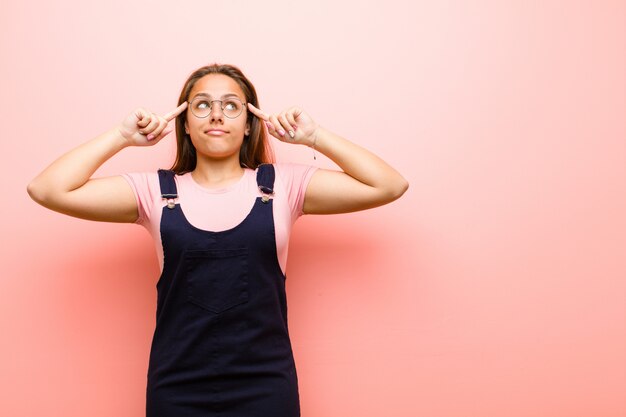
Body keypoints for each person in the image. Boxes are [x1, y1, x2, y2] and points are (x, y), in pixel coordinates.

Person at [27, 63, 408, 417]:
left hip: (265, 385)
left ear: (248, 123)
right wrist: (121, 137)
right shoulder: (155, 192)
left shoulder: (283, 186)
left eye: (231, 105)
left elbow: (389, 185)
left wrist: (314, 136)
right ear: (185, 125)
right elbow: (47, 190)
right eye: (202, 105)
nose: (216, 114)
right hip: (176, 386)